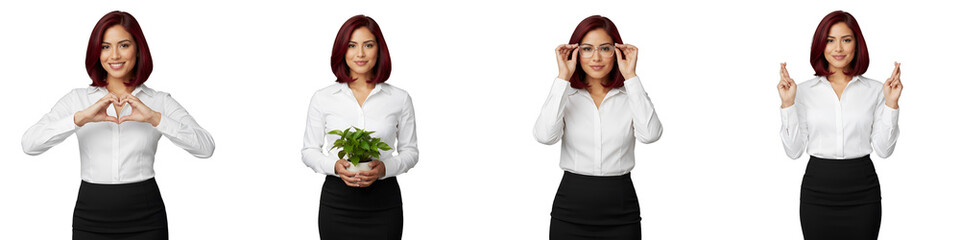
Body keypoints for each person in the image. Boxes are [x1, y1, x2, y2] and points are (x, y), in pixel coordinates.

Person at [21, 11, 215, 240]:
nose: (114, 55)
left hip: (147, 218)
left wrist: (155, 118)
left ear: (137, 49)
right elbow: (29, 144)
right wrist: (79, 118)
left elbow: (206, 148)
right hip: (90, 218)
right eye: (105, 47)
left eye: (123, 45)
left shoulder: (159, 101)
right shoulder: (77, 100)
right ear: (96, 52)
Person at [533, 15, 662, 240]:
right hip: (570, 211)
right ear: (575, 52)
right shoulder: (566, 95)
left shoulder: (630, 95)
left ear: (617, 52)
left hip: (621, 211)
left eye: (605, 48)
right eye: (587, 49)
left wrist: (631, 76)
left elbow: (650, 135)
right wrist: (563, 77)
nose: (596, 57)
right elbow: (544, 137)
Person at [778, 10, 902, 240]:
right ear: (820, 46)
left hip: (863, 192)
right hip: (817, 192)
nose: (838, 49)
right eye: (830, 41)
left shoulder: (876, 90)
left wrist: (891, 104)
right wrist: (787, 104)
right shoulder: (802, 91)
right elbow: (794, 151)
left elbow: (884, 150)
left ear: (857, 45)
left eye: (846, 40)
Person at [301, 14, 418, 240]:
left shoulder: (399, 98)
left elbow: (410, 152)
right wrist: (335, 165)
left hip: (384, 204)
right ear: (342, 51)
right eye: (352, 45)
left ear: (379, 49)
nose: (360, 54)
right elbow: (309, 151)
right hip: (337, 205)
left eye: (368, 45)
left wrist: (384, 168)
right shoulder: (323, 98)